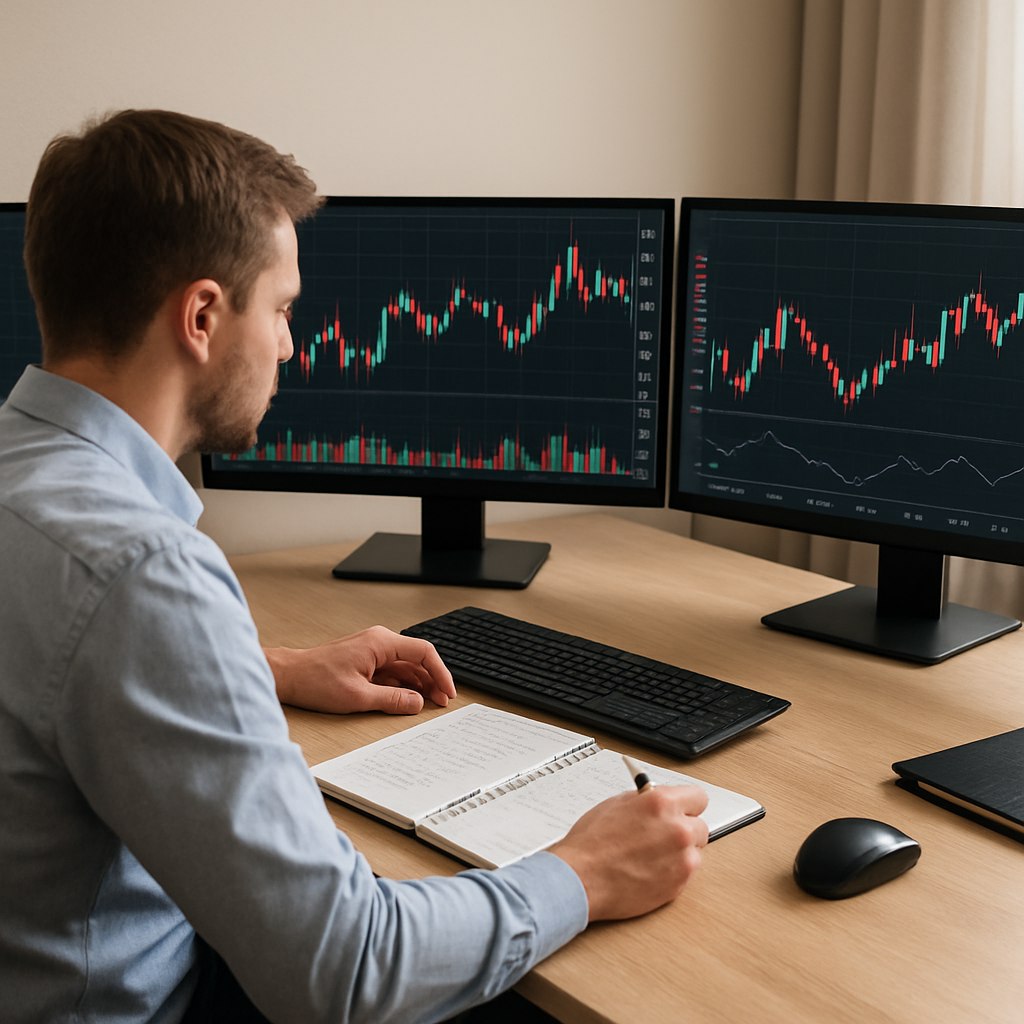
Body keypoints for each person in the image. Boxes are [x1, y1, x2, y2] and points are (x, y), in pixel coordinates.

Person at [0, 109, 710, 1024]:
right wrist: (587, 870)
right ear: (203, 317)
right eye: (283, 310)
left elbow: (46, 668)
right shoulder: (143, 571)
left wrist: (261, 669)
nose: (291, 345)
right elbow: (345, 971)